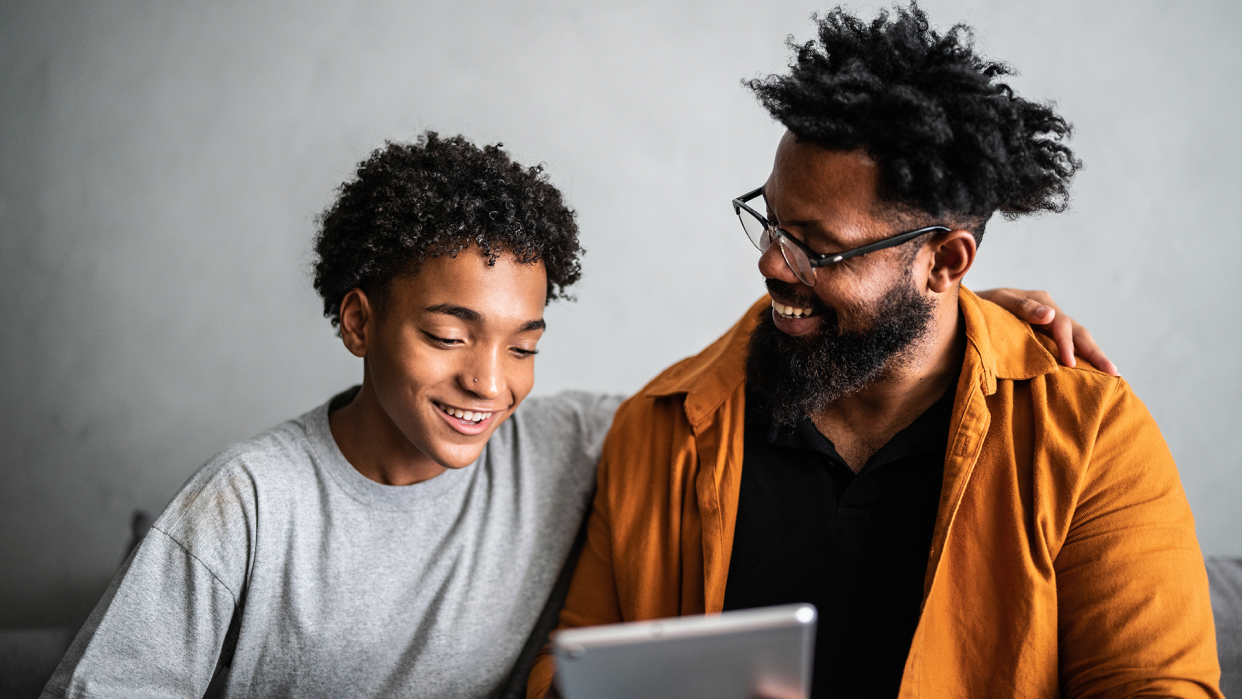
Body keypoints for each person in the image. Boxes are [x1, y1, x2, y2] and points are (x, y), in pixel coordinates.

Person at [42, 132, 1105, 698]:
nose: (487, 384)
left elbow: (728, 388)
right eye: (448, 335)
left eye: (526, 343)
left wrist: (952, 316)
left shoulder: (572, 444)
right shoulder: (244, 508)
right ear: (359, 320)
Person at [527, 5, 1222, 699]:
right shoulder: (660, 427)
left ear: (944, 262)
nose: (772, 263)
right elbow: (568, 673)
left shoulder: (1092, 436)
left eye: (816, 246)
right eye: (770, 221)